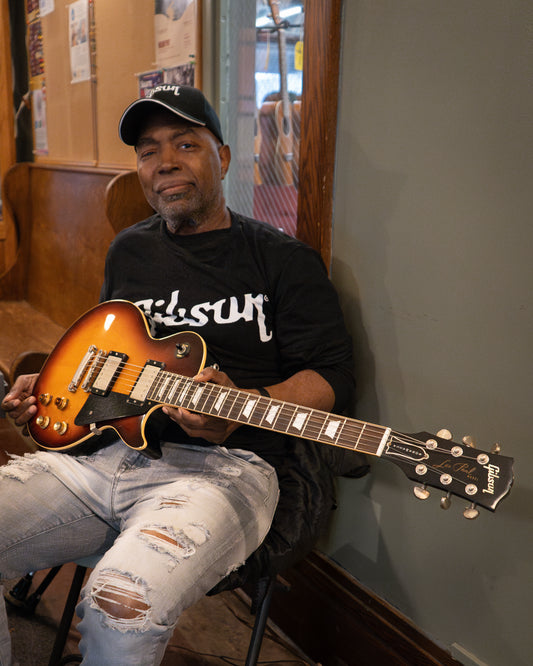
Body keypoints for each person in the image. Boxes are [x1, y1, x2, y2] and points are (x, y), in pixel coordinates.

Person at [0, 85, 355, 665]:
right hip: (102, 456)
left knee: (121, 604)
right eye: (148, 150)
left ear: (222, 157)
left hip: (226, 469)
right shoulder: (128, 252)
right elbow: (102, 351)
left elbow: (334, 376)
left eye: (185, 143)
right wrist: (51, 389)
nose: (164, 161)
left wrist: (247, 399)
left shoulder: (283, 259)